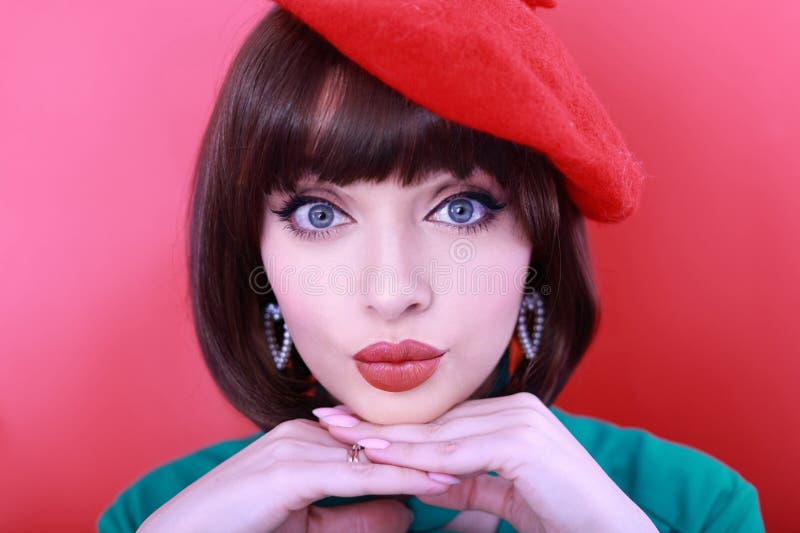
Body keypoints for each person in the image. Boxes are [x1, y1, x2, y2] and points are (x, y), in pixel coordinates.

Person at [98, 2, 766, 532]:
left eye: (460, 209)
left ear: (537, 244)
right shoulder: (160, 516)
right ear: (258, 258)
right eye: (321, 215)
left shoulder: (696, 507)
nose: (393, 293)